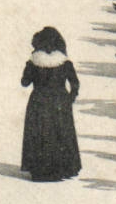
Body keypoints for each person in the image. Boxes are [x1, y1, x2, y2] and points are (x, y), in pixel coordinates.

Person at [21, 27, 82, 182]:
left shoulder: (34, 62)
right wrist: (70, 98)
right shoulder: (64, 62)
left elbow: (24, 82)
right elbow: (75, 83)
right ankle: (62, 169)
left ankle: (40, 170)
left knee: (40, 134)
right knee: (60, 134)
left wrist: (29, 68)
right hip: (60, 101)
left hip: (39, 101)